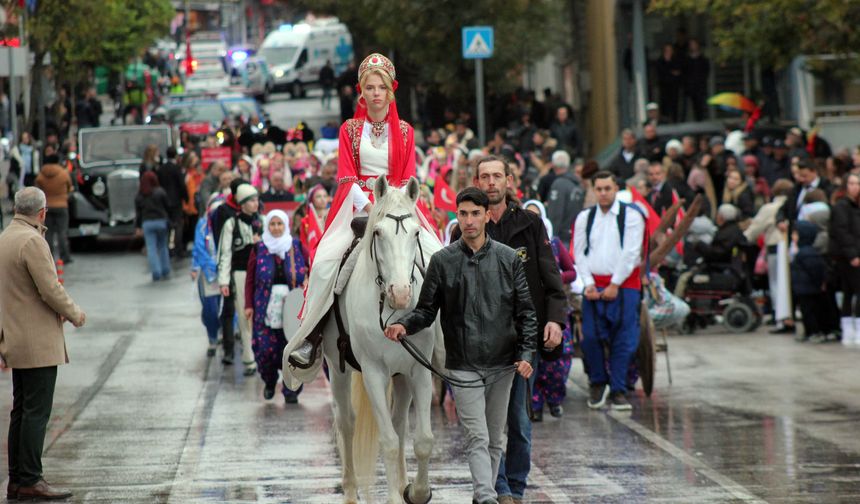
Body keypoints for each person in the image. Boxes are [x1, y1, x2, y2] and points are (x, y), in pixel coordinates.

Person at [384, 187, 537, 504]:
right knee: (477, 435)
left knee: (496, 437)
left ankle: (486, 492)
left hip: (503, 364)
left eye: (475, 214)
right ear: (458, 216)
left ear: (487, 215)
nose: (469, 221)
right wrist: (404, 324)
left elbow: (526, 313)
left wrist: (524, 354)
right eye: (463, 214)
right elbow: (427, 310)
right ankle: (485, 496)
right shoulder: (442, 261)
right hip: (462, 364)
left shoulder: (509, 259)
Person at [287, 53, 438, 370]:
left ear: (390, 90)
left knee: (437, 253)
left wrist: (389, 208)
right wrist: (371, 208)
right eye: (369, 87)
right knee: (326, 261)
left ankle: (447, 337)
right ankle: (312, 337)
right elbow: (346, 176)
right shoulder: (350, 129)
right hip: (358, 207)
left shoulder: (407, 131)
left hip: (398, 206)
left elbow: (408, 177)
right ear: (361, 91)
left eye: (381, 87)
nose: (375, 93)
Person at [456, 156, 566, 503]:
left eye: (497, 176)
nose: (491, 182)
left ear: (509, 180)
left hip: (520, 340)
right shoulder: (466, 227)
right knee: (486, 425)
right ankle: (496, 486)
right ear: (476, 180)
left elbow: (551, 275)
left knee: (517, 419)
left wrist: (555, 318)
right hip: (477, 343)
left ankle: (514, 486)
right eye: (484, 177)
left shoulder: (530, 224)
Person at [0, 187, 86, 501]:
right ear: (42, 212)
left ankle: (17, 479)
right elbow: (50, 288)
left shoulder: (6, 237)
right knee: (37, 412)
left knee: (20, 411)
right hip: (36, 340)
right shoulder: (32, 240)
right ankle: (32, 479)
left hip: (14, 336)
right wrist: (75, 313)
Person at [573, 170, 645, 411]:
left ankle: (618, 389)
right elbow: (579, 253)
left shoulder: (632, 216)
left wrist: (615, 283)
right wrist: (588, 283)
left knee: (623, 339)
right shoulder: (585, 217)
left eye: (608, 188)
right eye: (599, 189)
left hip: (624, 285)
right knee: (591, 336)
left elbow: (632, 253)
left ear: (616, 189)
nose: (603, 193)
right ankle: (598, 381)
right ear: (594, 190)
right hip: (594, 286)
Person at [244, 210, 307, 402]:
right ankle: (270, 381)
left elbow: (312, 267)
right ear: (267, 226)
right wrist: (248, 305)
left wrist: (308, 282)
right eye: (273, 224)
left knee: (292, 350)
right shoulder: (259, 248)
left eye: (280, 224)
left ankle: (291, 391)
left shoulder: (296, 246)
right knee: (265, 349)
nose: (277, 228)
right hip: (266, 306)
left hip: (292, 308)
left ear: (286, 225)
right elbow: (250, 279)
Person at [523, 200, 576, 421]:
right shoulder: (520, 247)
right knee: (529, 365)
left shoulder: (553, 243)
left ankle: (554, 399)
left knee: (555, 363)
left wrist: (552, 278)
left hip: (553, 309)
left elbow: (570, 271)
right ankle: (534, 405)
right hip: (530, 310)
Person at [217, 183, 262, 375]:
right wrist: (224, 281)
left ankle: (261, 355)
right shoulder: (231, 224)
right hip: (240, 274)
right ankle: (249, 358)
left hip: (261, 273)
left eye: (256, 199)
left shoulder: (264, 221)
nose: (255, 203)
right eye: (251, 200)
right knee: (245, 315)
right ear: (242, 203)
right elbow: (225, 253)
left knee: (261, 315)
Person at [745, 179, 794, 333]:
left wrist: (742, 238)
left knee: (776, 283)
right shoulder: (792, 206)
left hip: (775, 248)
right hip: (792, 247)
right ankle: (789, 314)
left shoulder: (769, 208)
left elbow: (754, 230)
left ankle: (779, 314)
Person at [191, 194, 225, 357]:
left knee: (226, 308)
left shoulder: (229, 224)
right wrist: (212, 266)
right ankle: (212, 337)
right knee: (210, 309)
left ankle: (226, 336)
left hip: (226, 272)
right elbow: (199, 248)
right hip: (208, 275)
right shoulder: (202, 225)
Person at [829, 173, 860, 345]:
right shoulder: (841, 206)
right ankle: (850, 329)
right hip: (848, 256)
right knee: (851, 292)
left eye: (858, 183)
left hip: (854, 253)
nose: (855, 187)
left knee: (850, 292)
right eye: (852, 183)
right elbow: (841, 232)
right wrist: (853, 254)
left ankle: (851, 329)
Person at [792, 221, 831, 342]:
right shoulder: (805, 252)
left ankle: (814, 332)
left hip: (808, 289)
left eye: (796, 234)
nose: (793, 236)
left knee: (810, 312)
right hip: (805, 288)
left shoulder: (806, 253)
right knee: (806, 311)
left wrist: (820, 282)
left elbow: (816, 270)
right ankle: (809, 332)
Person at [35, 152, 74, 264]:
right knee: (62, 232)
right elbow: (69, 187)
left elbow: (37, 189)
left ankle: (49, 256)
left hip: (47, 206)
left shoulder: (41, 175)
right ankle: (65, 256)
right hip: (62, 206)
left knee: (49, 233)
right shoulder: (63, 173)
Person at [135, 172, 172, 281]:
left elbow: (139, 213)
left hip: (147, 223)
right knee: (163, 246)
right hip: (161, 221)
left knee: (151, 248)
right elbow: (168, 206)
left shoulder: (139, 195)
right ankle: (165, 269)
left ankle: (156, 272)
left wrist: (138, 227)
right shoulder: (160, 192)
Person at [544, 150, 584, 244]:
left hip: (562, 238)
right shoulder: (577, 185)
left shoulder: (558, 184)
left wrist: (551, 237)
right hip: (575, 235)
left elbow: (555, 213)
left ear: (553, 165)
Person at [156, 146, 189, 257]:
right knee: (178, 225)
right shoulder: (176, 168)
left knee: (167, 224)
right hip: (176, 200)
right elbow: (181, 184)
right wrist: (186, 198)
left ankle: (166, 248)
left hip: (164, 200)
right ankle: (178, 248)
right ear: (175, 155)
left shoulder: (161, 168)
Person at [299, 184, 329, 261]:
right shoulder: (306, 221)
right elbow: (304, 243)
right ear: (312, 200)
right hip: (313, 258)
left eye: (325, 196)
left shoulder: (334, 216)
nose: (322, 199)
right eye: (318, 196)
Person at [655, 44, 682, 122]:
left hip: (674, 88)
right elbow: (661, 73)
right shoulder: (660, 61)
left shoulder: (676, 60)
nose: (669, 52)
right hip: (664, 88)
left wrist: (670, 73)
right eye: (667, 50)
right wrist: (671, 72)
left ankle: (675, 121)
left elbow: (678, 72)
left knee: (675, 106)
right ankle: (665, 121)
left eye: (670, 50)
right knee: (664, 106)